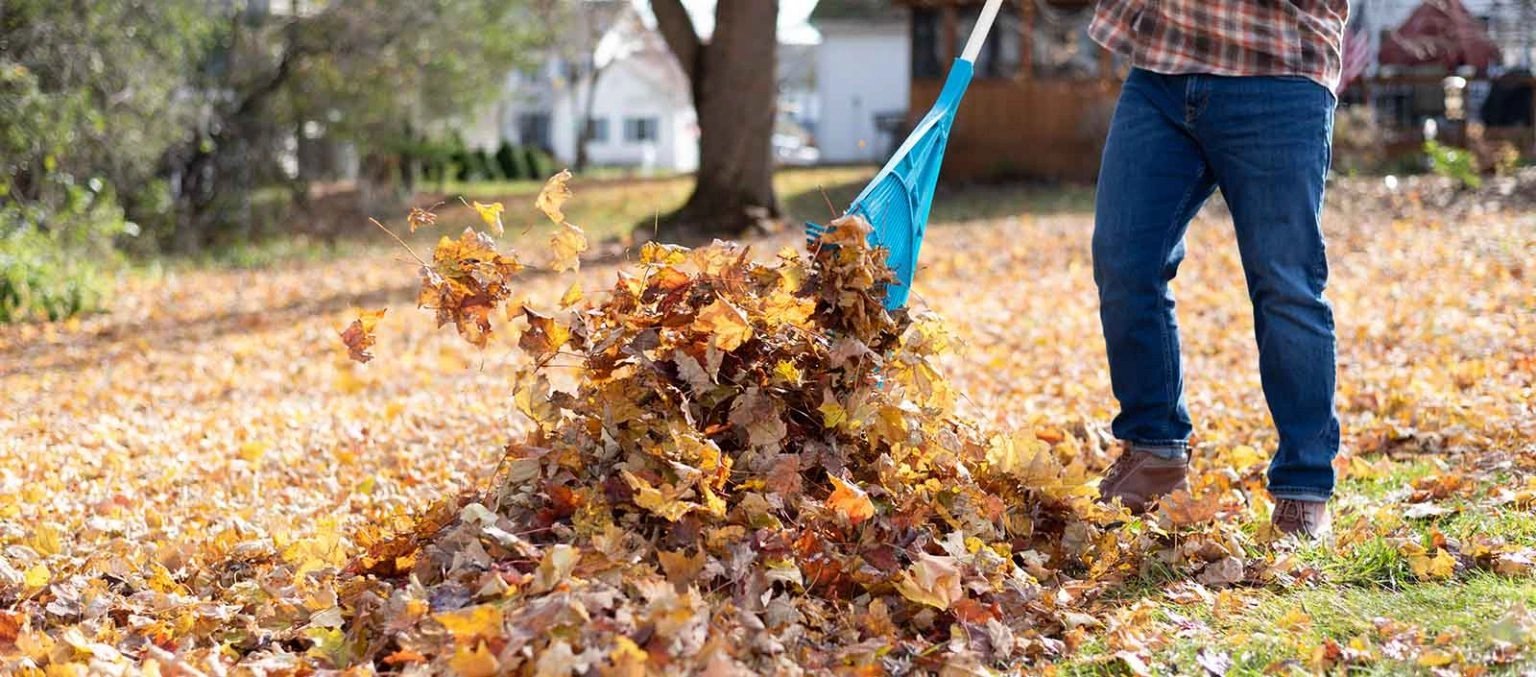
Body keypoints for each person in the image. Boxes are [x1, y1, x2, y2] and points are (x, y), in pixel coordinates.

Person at [1087, 0, 1349, 539]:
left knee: (1285, 283)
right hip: (1163, 66)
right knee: (1124, 261)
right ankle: (1154, 447)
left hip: (1277, 68)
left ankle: (1303, 485)